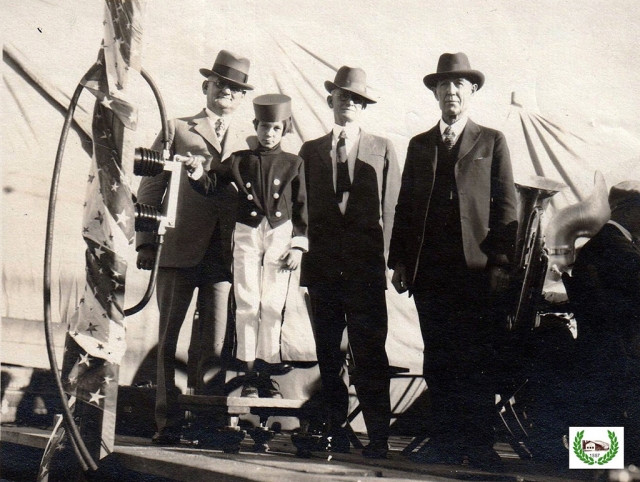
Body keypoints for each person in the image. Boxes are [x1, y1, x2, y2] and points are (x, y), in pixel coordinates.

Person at [388, 52, 518, 471]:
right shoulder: (420, 145)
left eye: (459, 84)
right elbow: (405, 207)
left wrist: (501, 261)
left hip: (476, 272)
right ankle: (445, 442)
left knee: (476, 358)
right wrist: (400, 261)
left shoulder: (492, 140)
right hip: (431, 272)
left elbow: (507, 208)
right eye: (443, 85)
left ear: (472, 91)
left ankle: (479, 446)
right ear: (435, 93)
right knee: (438, 357)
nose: (451, 91)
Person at [136, 50, 254, 444]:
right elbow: (151, 183)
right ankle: (167, 424)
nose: (227, 94)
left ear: (241, 99)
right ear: (207, 87)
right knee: (168, 339)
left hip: (224, 256)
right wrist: (146, 241)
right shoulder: (177, 128)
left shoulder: (251, 139)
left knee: (213, 345)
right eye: (220, 85)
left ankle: (206, 424)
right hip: (178, 248)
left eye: (235, 90)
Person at [299, 66, 401, 459]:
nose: (350, 104)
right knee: (329, 355)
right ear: (331, 101)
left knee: (370, 352)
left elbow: (393, 208)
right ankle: (334, 432)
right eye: (344, 97)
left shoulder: (383, 147)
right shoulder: (310, 151)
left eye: (357, 99)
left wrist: (392, 260)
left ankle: (378, 436)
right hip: (323, 270)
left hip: (365, 271)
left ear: (364, 106)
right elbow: (301, 210)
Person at [180, 94, 308, 399]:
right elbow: (211, 184)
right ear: (256, 126)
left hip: (279, 233)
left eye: (276, 128)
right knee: (248, 301)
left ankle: (268, 369)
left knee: (273, 303)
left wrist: (298, 246)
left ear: (284, 129)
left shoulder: (294, 163)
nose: (269, 134)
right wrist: (197, 171)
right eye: (265, 127)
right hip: (247, 233)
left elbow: (303, 206)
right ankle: (249, 370)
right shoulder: (240, 159)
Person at [565, 180, 640, 466]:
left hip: (597, 351)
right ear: (632, 211)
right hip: (619, 352)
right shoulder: (619, 249)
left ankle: (596, 462)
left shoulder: (600, 244)